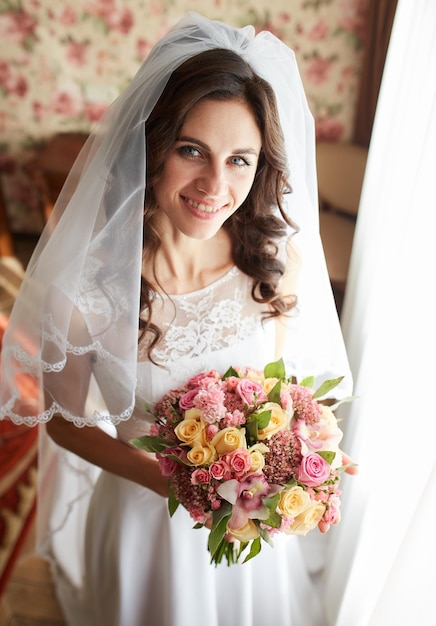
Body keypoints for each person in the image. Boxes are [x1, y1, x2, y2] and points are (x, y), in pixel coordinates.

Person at [0, 12, 353, 626]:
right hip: (147, 523)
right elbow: (66, 426)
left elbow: (287, 387)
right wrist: (177, 485)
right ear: (151, 146)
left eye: (240, 159)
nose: (215, 185)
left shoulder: (276, 264)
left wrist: (293, 454)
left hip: (252, 524)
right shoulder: (86, 291)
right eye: (192, 150)